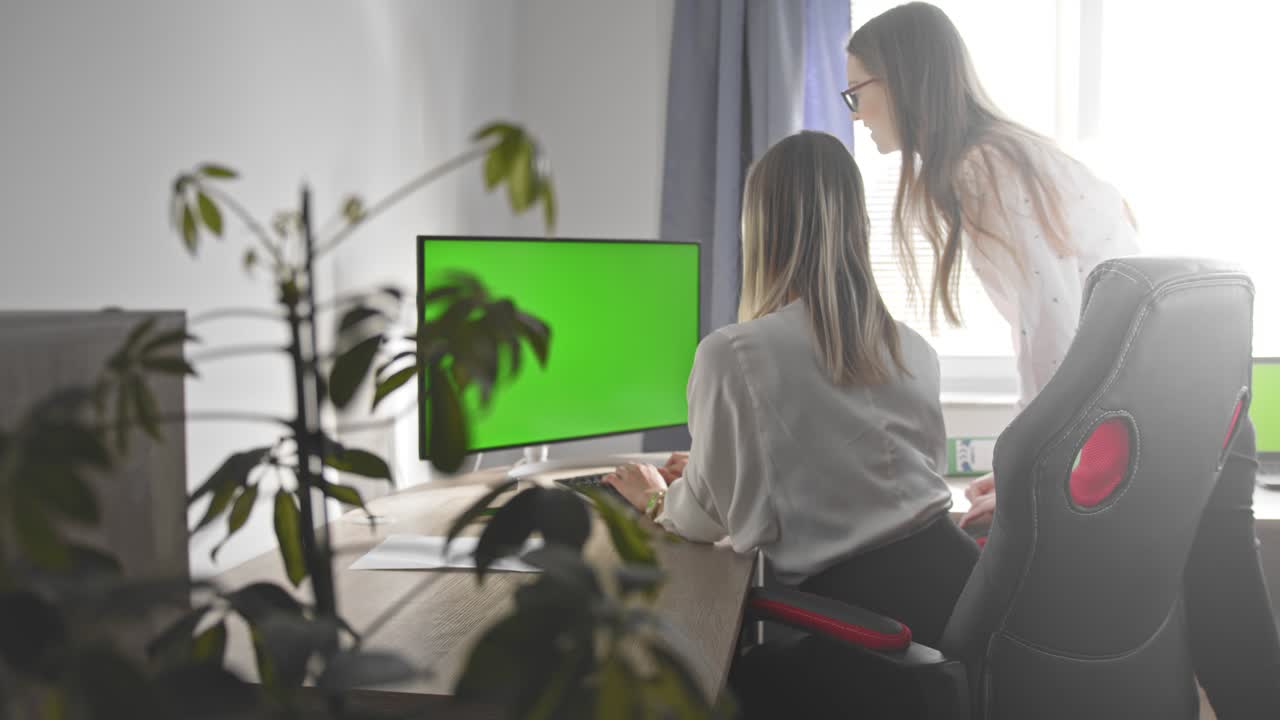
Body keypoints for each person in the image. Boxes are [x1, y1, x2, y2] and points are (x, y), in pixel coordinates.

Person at [844, 2, 1280, 714]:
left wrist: (1030, 472)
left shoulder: (980, 166)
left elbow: (1055, 333)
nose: (856, 113)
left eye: (859, 92)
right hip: (1200, 419)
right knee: (1228, 626)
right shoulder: (1008, 154)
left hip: (1156, 429)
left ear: (901, 81)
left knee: (1199, 620)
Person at [605, 130, 978, 715]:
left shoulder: (735, 353)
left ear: (762, 229)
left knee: (708, 680)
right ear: (857, 224)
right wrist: (716, 469)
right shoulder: (912, 349)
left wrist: (658, 499)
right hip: (956, 608)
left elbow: (702, 523)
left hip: (864, 649)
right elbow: (887, 476)